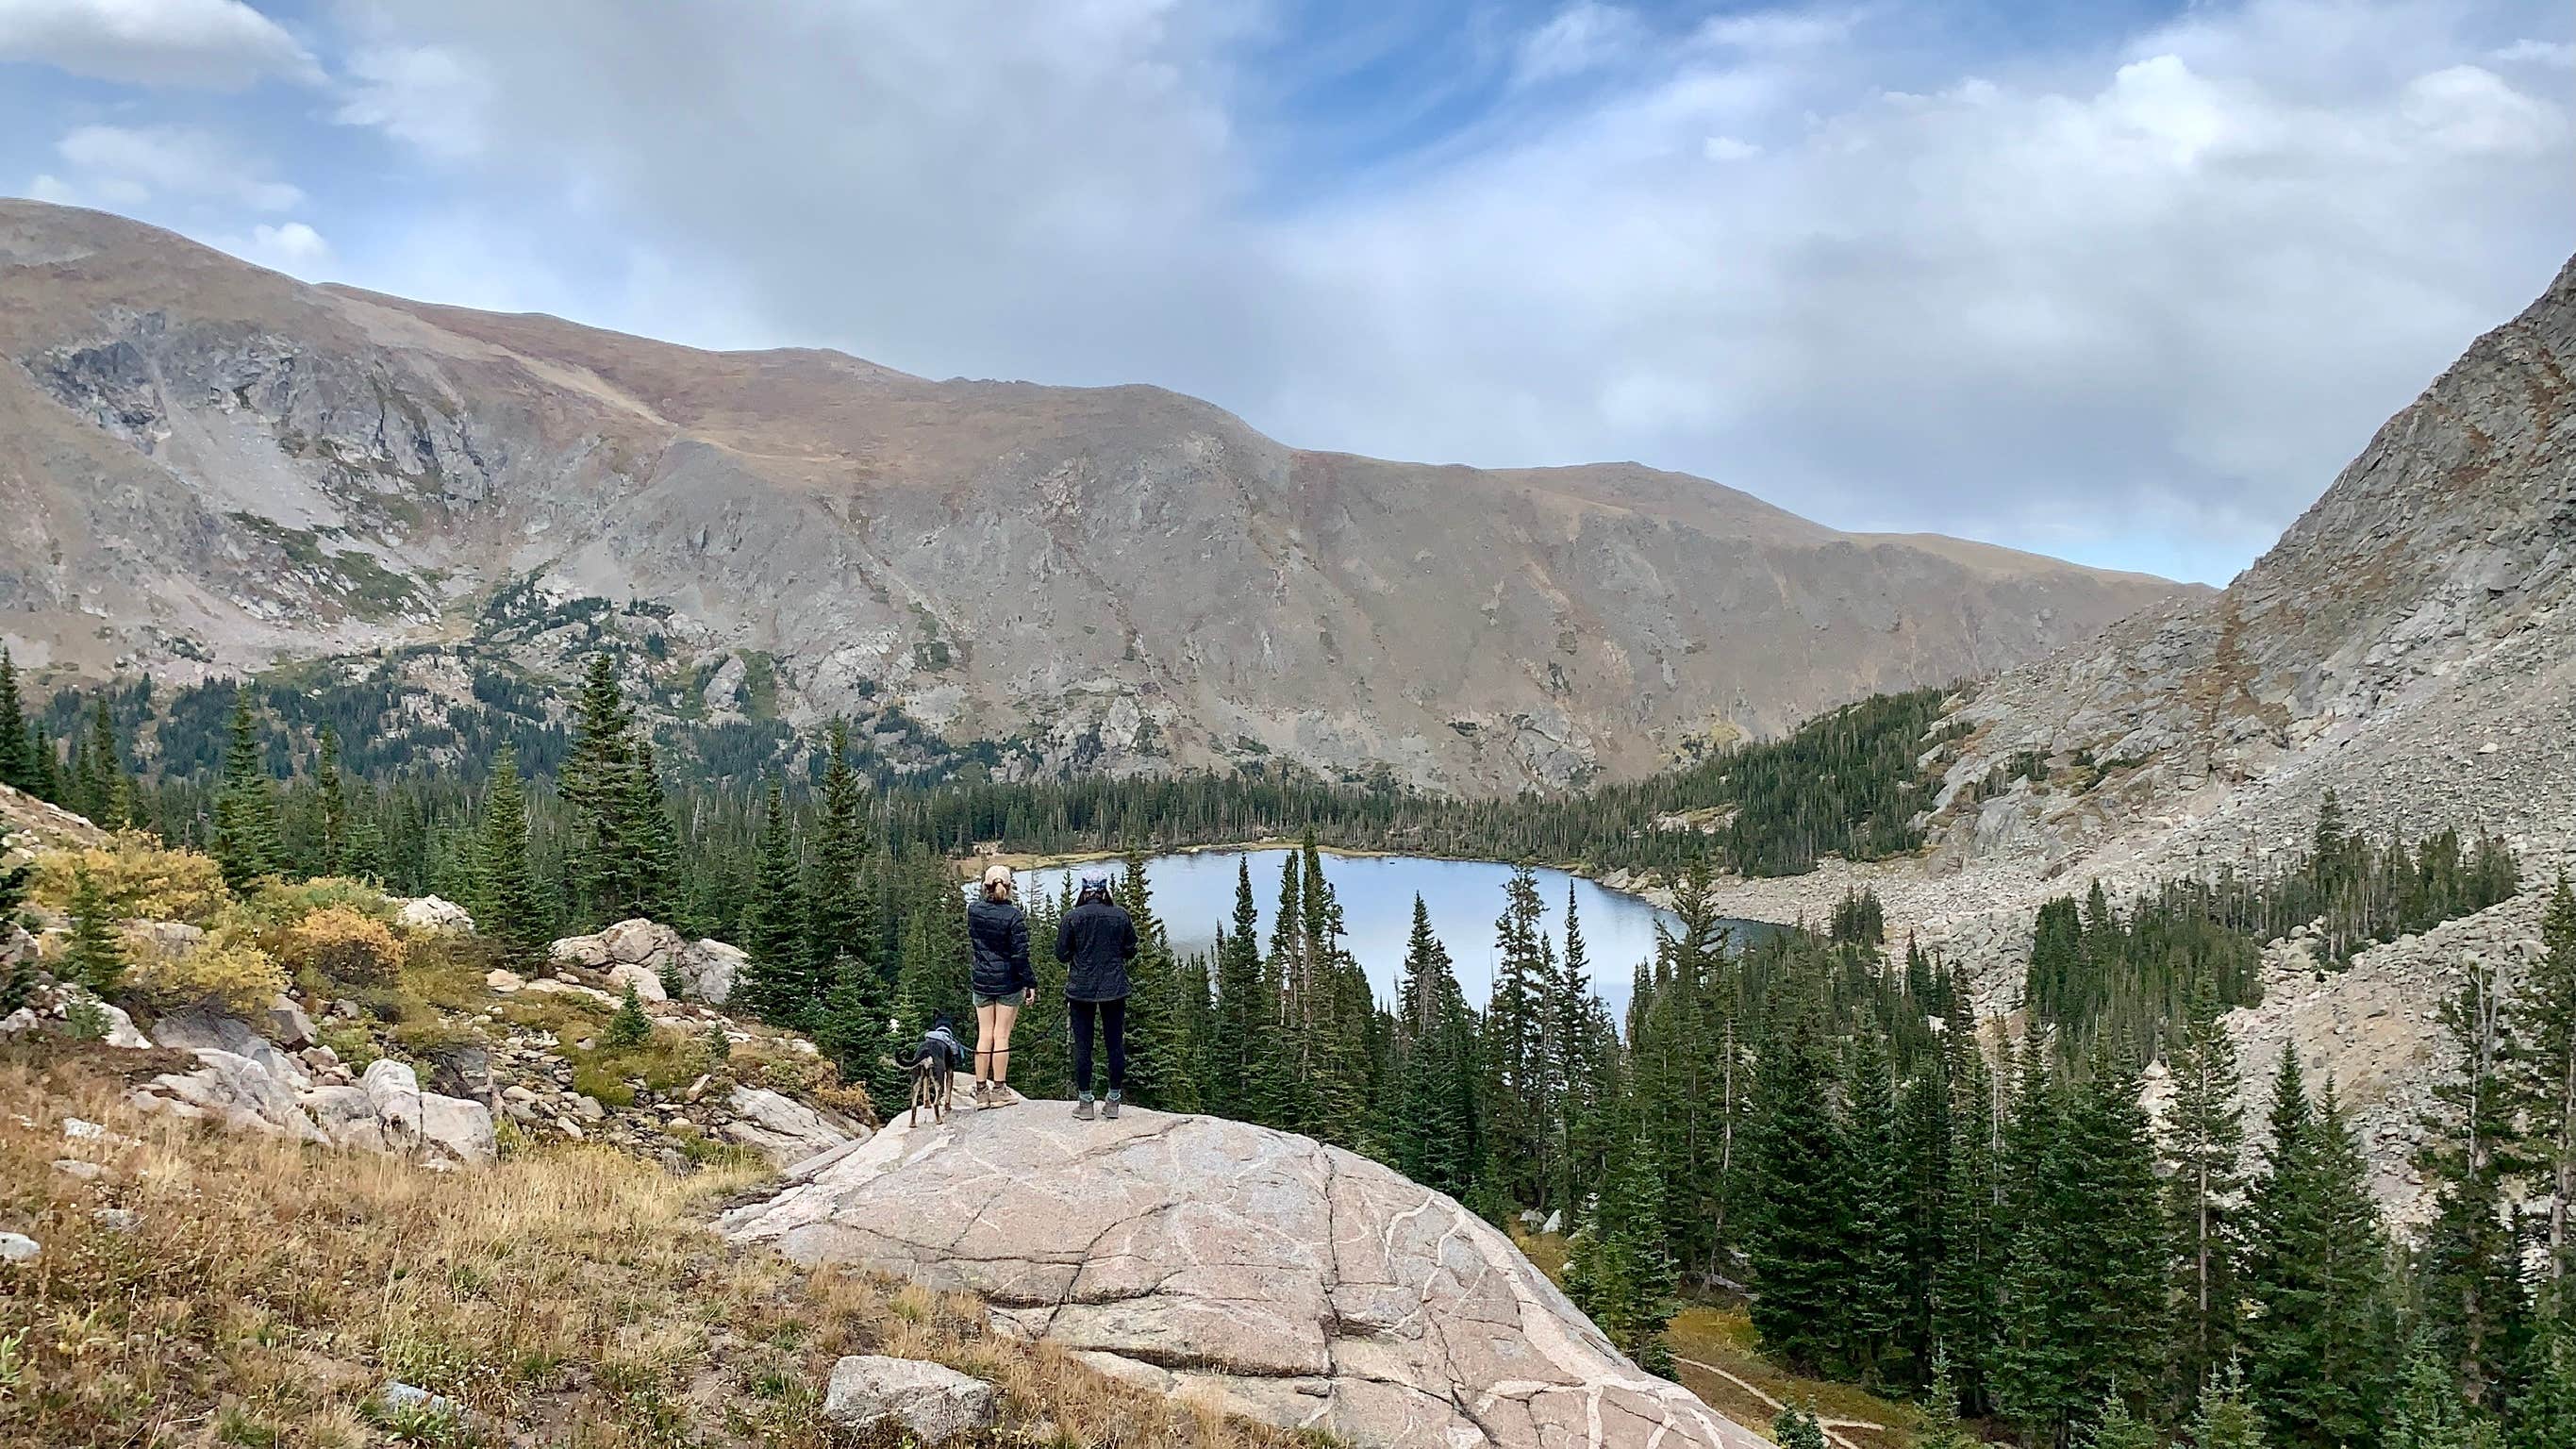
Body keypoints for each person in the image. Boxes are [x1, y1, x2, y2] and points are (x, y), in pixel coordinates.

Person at [1054, 870, 1138, 1120]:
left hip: (1081, 989)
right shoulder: (1120, 915)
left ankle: (1085, 1102)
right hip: (1114, 989)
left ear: (1084, 890)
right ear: (1104, 890)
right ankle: (1113, 1101)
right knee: (1115, 1045)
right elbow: (1131, 949)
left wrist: (1079, 955)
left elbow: (1061, 954)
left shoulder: (1072, 917)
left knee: (1083, 1046)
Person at [966, 862, 1036, 1108]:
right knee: (1002, 1036)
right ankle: (999, 1090)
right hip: (1008, 982)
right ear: (1008, 886)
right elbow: (1020, 955)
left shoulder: (974, 910)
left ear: (985, 886)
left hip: (982, 981)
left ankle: (980, 1091)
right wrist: (1030, 982)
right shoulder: (1014, 916)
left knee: (984, 1035)